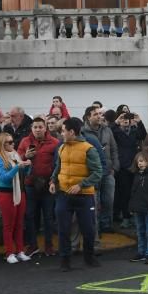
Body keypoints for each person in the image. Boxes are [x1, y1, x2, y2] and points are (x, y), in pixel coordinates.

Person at [50, 116, 103, 271]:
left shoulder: (89, 149)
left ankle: (89, 256)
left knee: (88, 229)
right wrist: (53, 181)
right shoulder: (62, 148)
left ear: (72, 132)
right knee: (63, 229)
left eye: (63, 131)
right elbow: (58, 168)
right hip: (63, 195)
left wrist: (81, 185)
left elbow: (98, 173)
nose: (61, 134)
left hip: (84, 196)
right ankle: (65, 261)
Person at [17, 117, 59, 256]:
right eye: (35, 127)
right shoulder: (25, 141)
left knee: (48, 216)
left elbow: (58, 163)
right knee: (29, 215)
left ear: (45, 128)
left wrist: (54, 180)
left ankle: (49, 245)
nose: (38, 130)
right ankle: (33, 245)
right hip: (30, 184)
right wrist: (25, 156)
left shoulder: (54, 142)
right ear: (31, 128)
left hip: (48, 184)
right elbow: (16, 160)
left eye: (40, 127)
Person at [0, 132, 32, 263]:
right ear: (1, 144)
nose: (12, 144)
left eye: (12, 141)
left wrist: (27, 166)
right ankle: (9, 252)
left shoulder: (15, 155)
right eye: (9, 142)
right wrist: (17, 167)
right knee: (9, 225)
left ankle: (20, 251)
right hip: (6, 193)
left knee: (20, 223)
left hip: (20, 191)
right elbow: (4, 178)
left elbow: (23, 174)